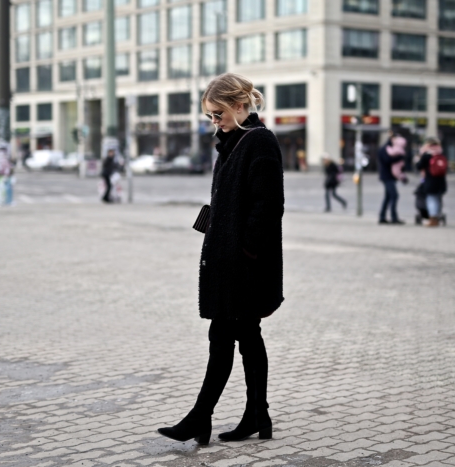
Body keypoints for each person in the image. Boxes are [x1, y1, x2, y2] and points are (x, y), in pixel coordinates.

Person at [157, 73, 284, 445]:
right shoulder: (232, 142)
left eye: (218, 113)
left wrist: (245, 250)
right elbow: (233, 200)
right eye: (210, 116)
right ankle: (256, 414)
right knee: (244, 335)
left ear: (241, 106)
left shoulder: (259, 141)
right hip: (229, 260)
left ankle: (202, 417)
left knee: (226, 336)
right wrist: (212, 224)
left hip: (244, 264)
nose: (215, 121)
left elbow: (268, 206)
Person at [415, 137, 447, 227]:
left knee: (431, 199)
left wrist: (418, 159)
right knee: (437, 199)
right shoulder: (440, 153)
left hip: (430, 181)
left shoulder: (427, 154)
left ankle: (432, 219)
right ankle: (437, 217)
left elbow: (419, 166)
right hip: (440, 181)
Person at [377, 135, 406, 225]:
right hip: (387, 176)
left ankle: (382, 217)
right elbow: (387, 160)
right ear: (391, 139)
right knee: (394, 196)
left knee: (388, 197)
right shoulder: (385, 149)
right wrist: (400, 157)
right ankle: (393, 217)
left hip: (389, 176)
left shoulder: (392, 148)